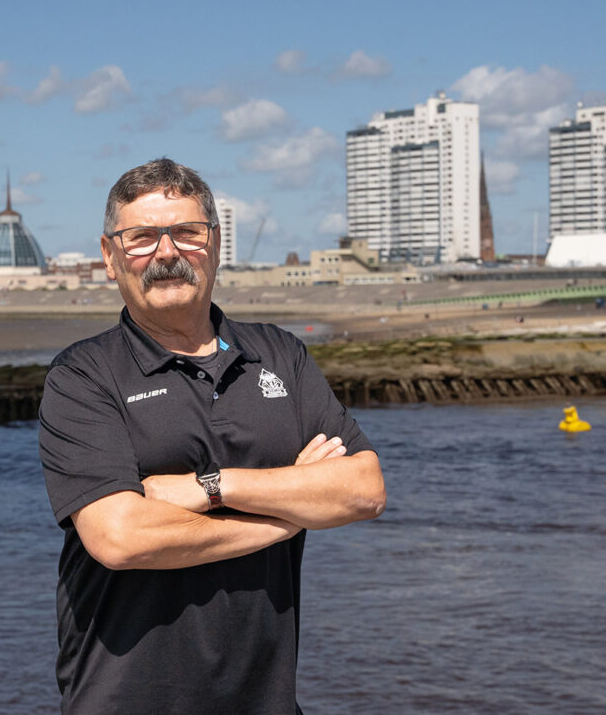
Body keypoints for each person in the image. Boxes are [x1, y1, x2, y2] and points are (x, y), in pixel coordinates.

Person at [39, 158, 386, 714]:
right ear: (110, 256)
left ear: (216, 243)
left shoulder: (278, 355)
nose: (167, 253)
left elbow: (364, 489)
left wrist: (212, 486)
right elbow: (121, 538)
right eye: (143, 237)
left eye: (186, 233)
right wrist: (293, 508)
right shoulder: (83, 376)